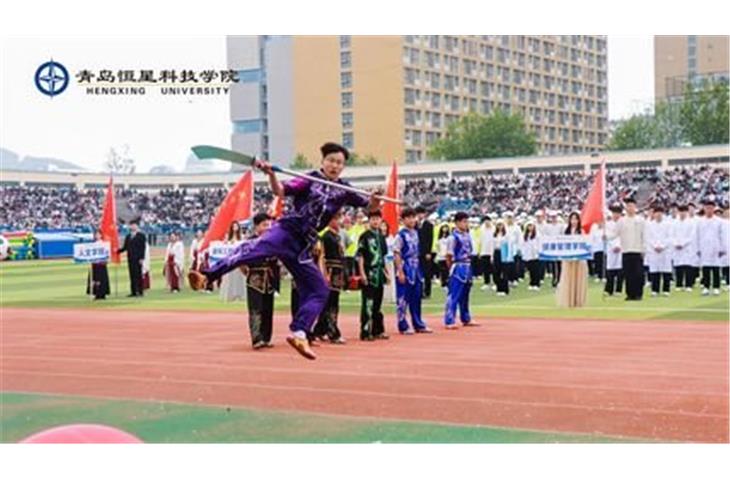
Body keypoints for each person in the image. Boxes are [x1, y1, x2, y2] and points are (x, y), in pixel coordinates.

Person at [188, 142, 381, 360]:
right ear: (323, 162)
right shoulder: (308, 179)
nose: (335, 166)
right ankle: (206, 276)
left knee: (320, 290)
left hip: (304, 246)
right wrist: (270, 174)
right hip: (286, 232)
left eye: (339, 163)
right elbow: (279, 191)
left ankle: (299, 332)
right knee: (251, 250)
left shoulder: (345, 190)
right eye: (331, 161)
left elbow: (371, 208)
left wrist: (374, 200)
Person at [394, 207, 432, 334]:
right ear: (403, 220)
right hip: (405, 266)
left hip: (416, 267)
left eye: (413, 217)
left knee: (416, 297)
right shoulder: (400, 235)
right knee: (403, 297)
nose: (412, 220)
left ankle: (418, 323)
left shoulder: (415, 233)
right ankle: (403, 324)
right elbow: (397, 253)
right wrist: (400, 271)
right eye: (408, 218)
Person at [244, 213, 278, 349]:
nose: (267, 227)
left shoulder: (273, 241)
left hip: (269, 278)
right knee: (255, 308)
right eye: (264, 225)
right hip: (255, 278)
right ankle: (256, 338)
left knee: (268, 309)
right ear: (256, 226)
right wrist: (247, 272)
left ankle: (266, 337)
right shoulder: (250, 242)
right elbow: (241, 260)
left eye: (269, 225)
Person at [313, 213, 347, 344]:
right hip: (330, 271)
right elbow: (323, 257)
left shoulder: (336, 236)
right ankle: (333, 332)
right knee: (331, 303)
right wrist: (325, 273)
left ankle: (320, 330)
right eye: (336, 219)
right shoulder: (326, 237)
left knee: (330, 302)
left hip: (337, 270)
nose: (339, 222)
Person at [357, 210, 390, 341]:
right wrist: (362, 273)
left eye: (378, 219)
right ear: (369, 220)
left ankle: (378, 330)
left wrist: (386, 273)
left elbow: (383, 257)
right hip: (369, 273)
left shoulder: (381, 237)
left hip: (379, 275)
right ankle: (365, 331)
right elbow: (360, 256)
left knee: (377, 303)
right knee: (368, 303)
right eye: (373, 219)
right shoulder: (364, 236)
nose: (376, 221)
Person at [443, 212, 480, 329]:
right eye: (464, 221)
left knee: (465, 295)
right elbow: (448, 255)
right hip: (458, 266)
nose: (466, 224)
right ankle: (449, 320)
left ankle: (466, 317)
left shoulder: (467, 235)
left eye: (467, 221)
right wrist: (451, 268)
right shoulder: (453, 237)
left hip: (468, 266)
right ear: (457, 222)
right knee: (454, 294)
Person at [605, 198, 645, 301]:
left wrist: (643, 250)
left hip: (637, 250)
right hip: (626, 250)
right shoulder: (622, 221)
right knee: (628, 274)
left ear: (635, 207)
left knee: (638, 274)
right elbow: (614, 233)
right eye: (628, 206)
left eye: (631, 206)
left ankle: (638, 294)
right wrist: (606, 236)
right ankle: (630, 294)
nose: (630, 208)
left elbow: (644, 235)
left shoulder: (640, 220)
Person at [556, 212, 589, 308]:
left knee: (578, 279)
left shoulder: (581, 231)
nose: (574, 221)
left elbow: (585, 243)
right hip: (568, 259)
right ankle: (568, 300)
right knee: (568, 279)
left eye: (576, 219)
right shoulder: (566, 231)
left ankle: (578, 301)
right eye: (572, 219)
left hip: (579, 259)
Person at [697, 199, 726, 296]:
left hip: (716, 246)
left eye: (711, 208)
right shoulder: (700, 221)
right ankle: (706, 287)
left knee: (716, 268)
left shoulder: (719, 221)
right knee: (705, 268)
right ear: (704, 209)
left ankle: (716, 287)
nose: (709, 210)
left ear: (714, 209)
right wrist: (698, 248)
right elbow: (697, 235)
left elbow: (722, 235)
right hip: (704, 247)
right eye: (707, 208)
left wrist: (722, 248)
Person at [645, 206, 673, 296]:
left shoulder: (668, 225)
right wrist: (654, 246)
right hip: (653, 250)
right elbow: (648, 238)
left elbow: (670, 237)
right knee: (654, 270)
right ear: (654, 214)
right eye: (656, 213)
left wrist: (662, 246)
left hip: (665, 250)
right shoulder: (649, 225)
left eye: (660, 213)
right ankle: (655, 290)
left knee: (666, 270)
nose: (658, 215)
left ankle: (666, 290)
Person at [117, 220, 147, 297]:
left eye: (134, 225)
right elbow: (125, 247)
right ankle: (133, 291)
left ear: (137, 226)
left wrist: (142, 258)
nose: (132, 227)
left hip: (138, 258)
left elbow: (143, 248)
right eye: (131, 225)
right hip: (130, 258)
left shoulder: (141, 236)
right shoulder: (128, 236)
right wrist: (117, 251)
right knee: (132, 275)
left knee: (138, 274)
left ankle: (140, 291)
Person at [219, 221, 247, 302]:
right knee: (230, 278)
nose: (235, 227)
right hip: (230, 261)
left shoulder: (242, 237)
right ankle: (230, 295)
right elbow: (224, 248)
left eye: (236, 226)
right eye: (233, 226)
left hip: (239, 261)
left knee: (239, 278)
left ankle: (239, 295)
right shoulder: (228, 238)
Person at [604, 205, 624, 296]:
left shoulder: (623, 224)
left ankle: (618, 290)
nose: (616, 215)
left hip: (621, 248)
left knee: (620, 269)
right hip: (611, 249)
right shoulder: (608, 224)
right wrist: (613, 246)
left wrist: (619, 246)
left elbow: (624, 236)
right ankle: (609, 289)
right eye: (614, 213)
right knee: (610, 269)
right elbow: (607, 236)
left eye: (617, 213)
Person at [416, 206, 435, 299]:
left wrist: (428, 252)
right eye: (418, 213)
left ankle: (427, 292)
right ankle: (418, 291)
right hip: (416, 252)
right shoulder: (414, 225)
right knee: (417, 272)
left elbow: (430, 239)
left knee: (427, 273)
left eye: (421, 213)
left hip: (425, 252)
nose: (420, 215)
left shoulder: (429, 225)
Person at [86, 229, 110, 300]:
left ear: (101, 235)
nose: (97, 236)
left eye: (98, 234)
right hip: (95, 264)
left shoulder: (104, 244)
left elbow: (106, 254)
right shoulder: (93, 244)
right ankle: (96, 293)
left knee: (102, 279)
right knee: (95, 279)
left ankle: (103, 293)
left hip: (101, 264)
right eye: (96, 234)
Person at [520, 220, 541, 291]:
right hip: (528, 255)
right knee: (530, 270)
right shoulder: (524, 235)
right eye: (529, 226)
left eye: (531, 226)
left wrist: (538, 251)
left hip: (535, 255)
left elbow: (539, 244)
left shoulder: (537, 234)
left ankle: (536, 284)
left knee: (536, 270)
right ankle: (531, 283)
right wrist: (523, 253)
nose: (530, 227)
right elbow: (522, 245)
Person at [492, 220, 511, 296]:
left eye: (501, 225)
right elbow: (492, 246)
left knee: (504, 272)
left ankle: (505, 289)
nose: (500, 227)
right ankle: (499, 289)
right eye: (498, 225)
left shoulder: (506, 235)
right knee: (496, 272)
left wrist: (508, 256)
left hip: (503, 252)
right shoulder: (494, 234)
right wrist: (491, 256)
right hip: (496, 252)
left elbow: (508, 245)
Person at [478, 215, 495, 291]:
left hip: (493, 251)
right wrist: (480, 251)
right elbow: (480, 241)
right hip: (484, 251)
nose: (486, 223)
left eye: (488, 221)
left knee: (494, 268)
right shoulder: (482, 229)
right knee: (485, 268)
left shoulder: (494, 229)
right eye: (485, 221)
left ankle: (495, 282)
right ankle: (486, 283)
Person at [435, 224, 452, 290]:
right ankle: (443, 284)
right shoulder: (440, 238)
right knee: (442, 271)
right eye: (443, 228)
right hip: (440, 256)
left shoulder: (449, 238)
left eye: (446, 228)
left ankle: (448, 283)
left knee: (447, 271)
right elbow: (437, 247)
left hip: (447, 256)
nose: (445, 229)